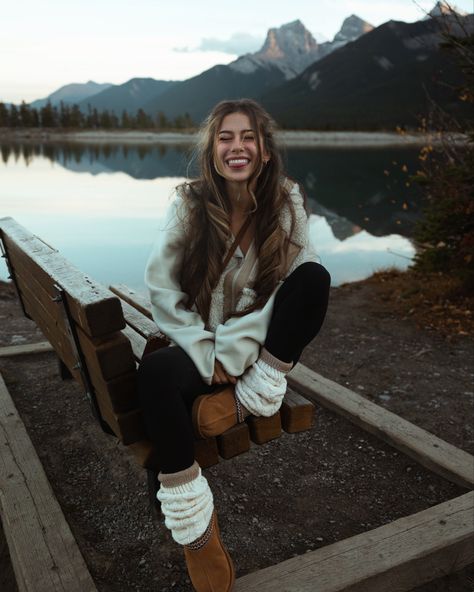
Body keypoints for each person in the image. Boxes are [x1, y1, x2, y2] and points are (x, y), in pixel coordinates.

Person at [137, 98, 330, 592]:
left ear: (264, 151)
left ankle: (246, 401)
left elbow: (290, 286)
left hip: (257, 351)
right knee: (157, 374)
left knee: (313, 278)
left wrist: (234, 354)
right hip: (200, 342)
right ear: (213, 149)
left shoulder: (287, 203)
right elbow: (161, 288)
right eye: (226, 137)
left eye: (248, 137)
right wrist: (206, 352)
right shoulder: (188, 203)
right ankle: (196, 530)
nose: (237, 146)